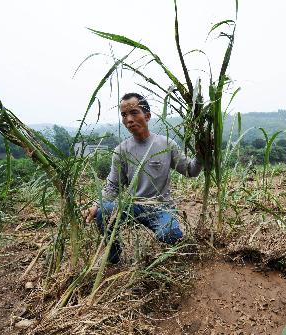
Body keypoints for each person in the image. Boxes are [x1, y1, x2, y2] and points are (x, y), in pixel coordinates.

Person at [84, 93, 203, 263]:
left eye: (134, 113)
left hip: (161, 208)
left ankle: (170, 259)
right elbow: (113, 186)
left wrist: (201, 155)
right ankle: (113, 257)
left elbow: (190, 171)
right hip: (133, 207)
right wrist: (96, 205)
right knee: (104, 213)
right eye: (124, 115)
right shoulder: (121, 151)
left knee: (170, 234)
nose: (129, 120)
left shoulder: (166, 144)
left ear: (147, 116)